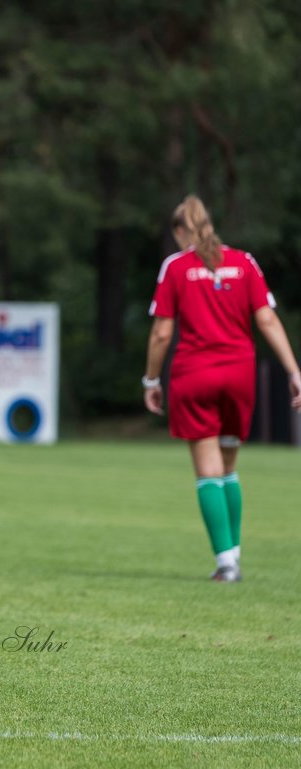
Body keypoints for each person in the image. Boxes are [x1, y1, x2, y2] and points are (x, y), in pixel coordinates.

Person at [143, 194, 301, 582]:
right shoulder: (243, 262)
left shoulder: (177, 266)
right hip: (239, 377)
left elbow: (163, 333)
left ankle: (227, 563)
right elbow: (267, 320)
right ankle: (234, 554)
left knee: (207, 471)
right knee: (229, 468)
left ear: (182, 231)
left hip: (194, 377)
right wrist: (294, 370)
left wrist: (151, 379)